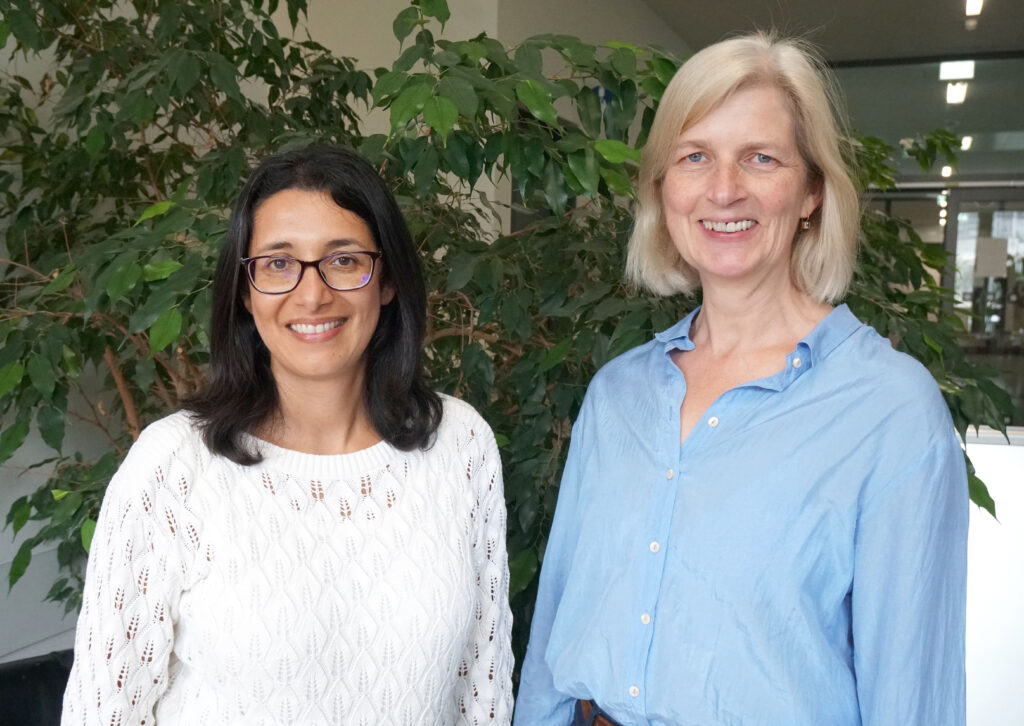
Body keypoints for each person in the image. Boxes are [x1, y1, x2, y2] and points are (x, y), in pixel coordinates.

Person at [515, 32, 967, 726]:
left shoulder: (890, 411)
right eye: (694, 157)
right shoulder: (618, 393)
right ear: (664, 189)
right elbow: (555, 632)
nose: (724, 189)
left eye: (759, 158)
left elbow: (912, 695)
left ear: (812, 190)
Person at [62, 146, 513, 725]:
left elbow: (485, 689)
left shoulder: (460, 446)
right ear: (246, 293)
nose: (312, 294)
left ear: (388, 280)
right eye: (277, 264)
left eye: (344, 260)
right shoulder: (173, 467)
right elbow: (102, 713)